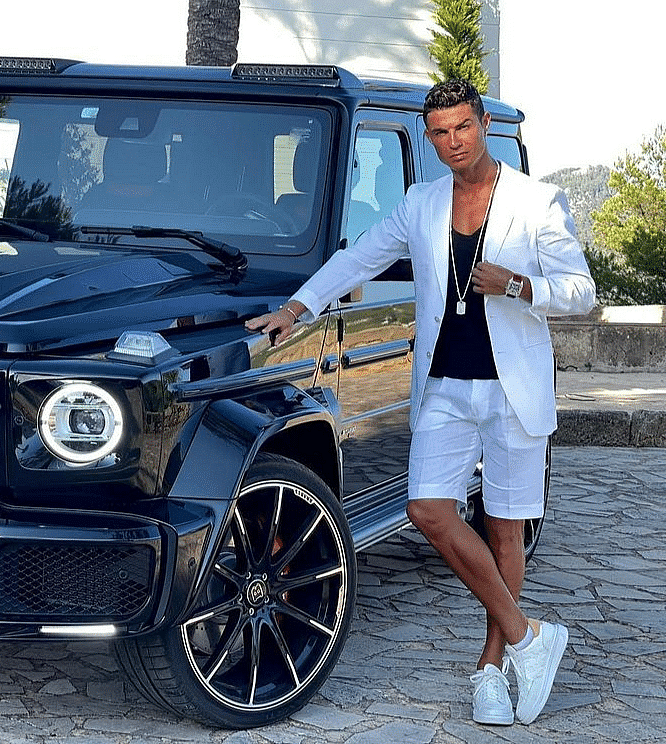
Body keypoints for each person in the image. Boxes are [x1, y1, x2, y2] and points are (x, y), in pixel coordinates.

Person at [245, 79, 595, 726]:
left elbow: (581, 292)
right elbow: (361, 258)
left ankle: (492, 668)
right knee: (427, 508)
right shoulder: (421, 202)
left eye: (462, 127)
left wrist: (519, 285)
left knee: (505, 526)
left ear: (483, 124)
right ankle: (529, 636)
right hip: (443, 387)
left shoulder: (538, 201)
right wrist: (296, 309)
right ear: (428, 136)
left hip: (511, 388)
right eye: (439, 132)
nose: (451, 142)